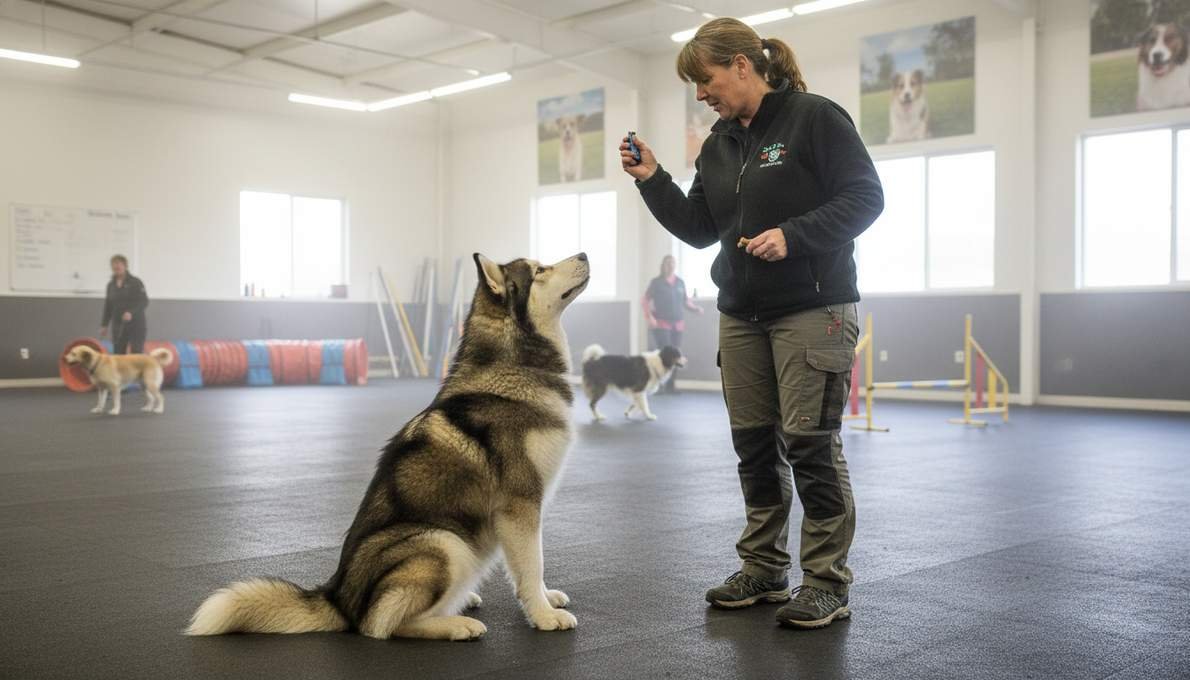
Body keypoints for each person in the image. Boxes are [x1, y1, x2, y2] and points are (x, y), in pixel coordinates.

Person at [620, 18, 883, 630]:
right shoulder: (717, 145)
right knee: (755, 447)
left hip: (813, 307)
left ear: (742, 65)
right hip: (740, 313)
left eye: (705, 80)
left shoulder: (814, 118)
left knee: (811, 445)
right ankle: (763, 568)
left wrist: (793, 236)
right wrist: (654, 179)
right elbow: (698, 229)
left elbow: (865, 198)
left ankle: (826, 582)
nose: (701, 95)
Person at [643, 254, 704, 392]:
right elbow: (645, 300)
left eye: (672, 263)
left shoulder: (680, 282)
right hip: (661, 324)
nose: (670, 265)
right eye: (668, 263)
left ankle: (670, 386)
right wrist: (649, 317)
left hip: (678, 324)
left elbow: (686, 301)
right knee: (664, 354)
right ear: (663, 265)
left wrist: (696, 309)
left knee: (676, 355)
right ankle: (659, 385)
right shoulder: (656, 282)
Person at [99, 254, 150, 354]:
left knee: (136, 354)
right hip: (118, 326)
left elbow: (144, 301)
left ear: (125, 266)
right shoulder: (111, 285)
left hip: (136, 324)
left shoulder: (135, 282)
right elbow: (108, 306)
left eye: (119, 264)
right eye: (114, 264)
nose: (116, 266)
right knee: (118, 354)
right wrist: (104, 325)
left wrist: (131, 313)